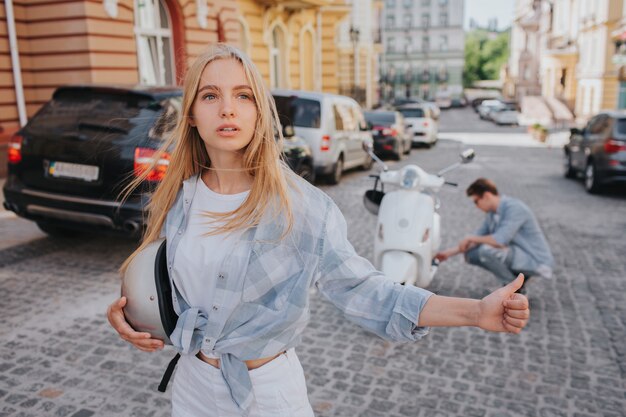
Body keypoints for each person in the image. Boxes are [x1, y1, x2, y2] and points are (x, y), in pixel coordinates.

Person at [107, 44, 530, 417]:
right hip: (193, 389)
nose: (227, 108)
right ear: (193, 116)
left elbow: (367, 290)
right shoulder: (179, 199)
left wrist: (475, 312)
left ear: (259, 112)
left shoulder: (301, 208)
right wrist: (130, 316)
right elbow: (162, 282)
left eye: (243, 95)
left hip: (267, 396)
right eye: (210, 95)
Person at [436, 178, 554, 294]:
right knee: (471, 254)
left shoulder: (515, 208)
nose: (476, 206)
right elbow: (478, 237)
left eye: (476, 201)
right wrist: (448, 253)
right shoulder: (492, 213)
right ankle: (516, 281)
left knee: (486, 250)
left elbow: (499, 240)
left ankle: (516, 289)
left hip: (535, 260)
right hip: (516, 254)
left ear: (487, 196)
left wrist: (470, 238)